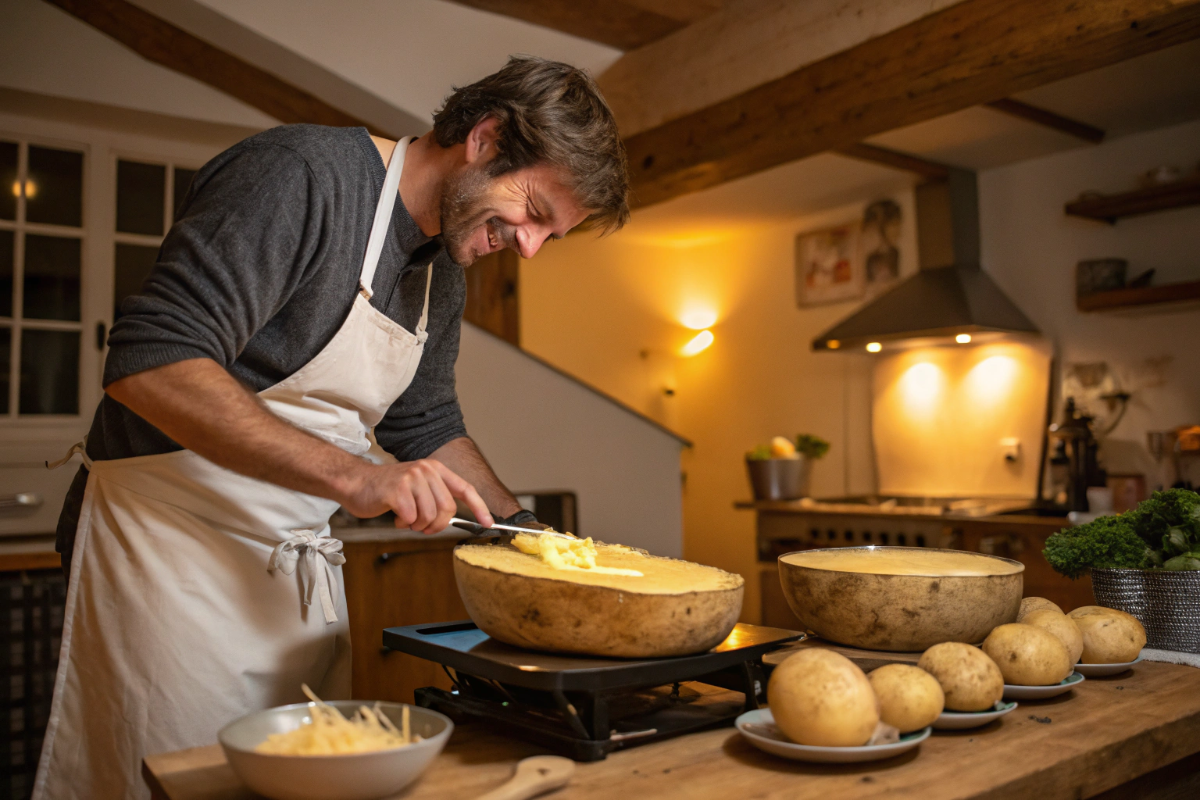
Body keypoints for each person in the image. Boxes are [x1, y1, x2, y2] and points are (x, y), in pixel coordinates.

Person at [34, 56, 629, 800]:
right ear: (484, 137)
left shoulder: (440, 272)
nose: (531, 246)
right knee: (176, 782)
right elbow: (153, 360)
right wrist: (358, 477)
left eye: (553, 235)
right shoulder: (301, 173)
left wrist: (528, 532)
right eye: (535, 211)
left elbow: (425, 421)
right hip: (164, 558)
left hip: (290, 578)